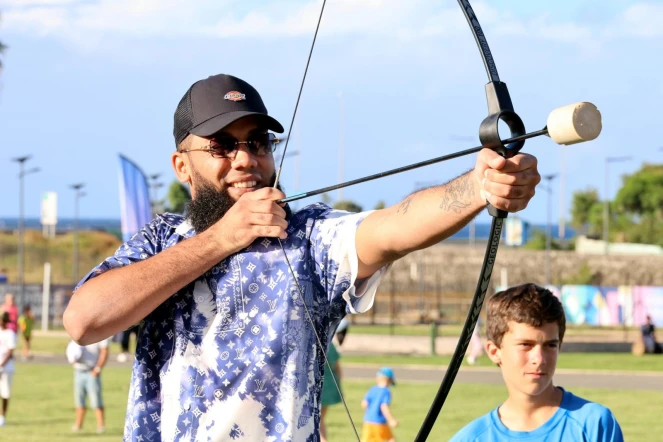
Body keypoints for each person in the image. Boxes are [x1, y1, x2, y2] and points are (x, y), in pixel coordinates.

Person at [63, 73, 540, 441]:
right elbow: (85, 320)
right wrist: (221, 239)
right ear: (182, 165)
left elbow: (394, 227)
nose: (246, 158)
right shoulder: (161, 239)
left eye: (258, 142)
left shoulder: (308, 238)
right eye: (223, 145)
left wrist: (481, 185)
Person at [450, 283, 624, 442]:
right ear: (495, 352)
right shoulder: (471, 438)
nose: (539, 359)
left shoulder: (594, 425)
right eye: (525, 345)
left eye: (550, 345)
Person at [66, 338, 109, 433]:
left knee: (96, 400)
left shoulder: (101, 335)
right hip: (78, 370)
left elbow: (104, 351)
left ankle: (101, 426)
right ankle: (78, 425)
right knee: (79, 399)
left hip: (92, 370)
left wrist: (97, 369)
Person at [320, 319, 350, 441]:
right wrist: (340, 387)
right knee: (321, 419)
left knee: (317, 420)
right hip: (330, 387)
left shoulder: (316, 346)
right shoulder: (331, 346)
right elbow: (337, 369)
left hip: (319, 388)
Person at [361, 367, 398, 442]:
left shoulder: (372, 389)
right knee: (391, 439)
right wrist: (391, 420)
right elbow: (384, 407)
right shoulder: (386, 392)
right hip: (379, 422)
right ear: (389, 380)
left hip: (367, 421)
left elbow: (364, 404)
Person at [0, 312, 17, 427]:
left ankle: (2, 417)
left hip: (6, 369)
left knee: (5, 393)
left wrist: (1, 365)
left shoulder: (10, 334)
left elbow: (10, 352)